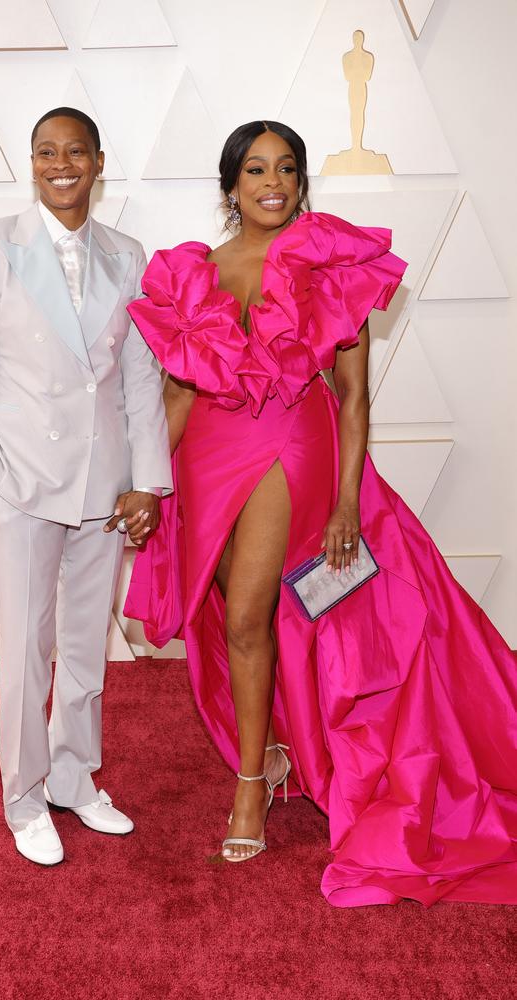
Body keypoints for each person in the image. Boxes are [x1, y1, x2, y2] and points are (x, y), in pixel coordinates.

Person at [125, 120, 517, 906]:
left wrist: (346, 501)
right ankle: (269, 752)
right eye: (257, 169)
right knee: (242, 616)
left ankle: (248, 789)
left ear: (302, 181)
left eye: (289, 169)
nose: (275, 182)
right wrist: (147, 485)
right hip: (205, 454)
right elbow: (177, 392)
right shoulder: (195, 272)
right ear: (230, 186)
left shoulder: (328, 263)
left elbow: (354, 397)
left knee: (245, 617)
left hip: (288, 448)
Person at [0, 107, 172, 865]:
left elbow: (140, 377)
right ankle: (24, 797)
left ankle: (75, 777)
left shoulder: (128, 254)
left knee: (84, 646)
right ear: (32, 161)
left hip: (103, 487)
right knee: (23, 646)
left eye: (75, 151)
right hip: (20, 481)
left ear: (99, 161)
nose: (61, 164)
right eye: (46, 151)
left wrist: (148, 480)